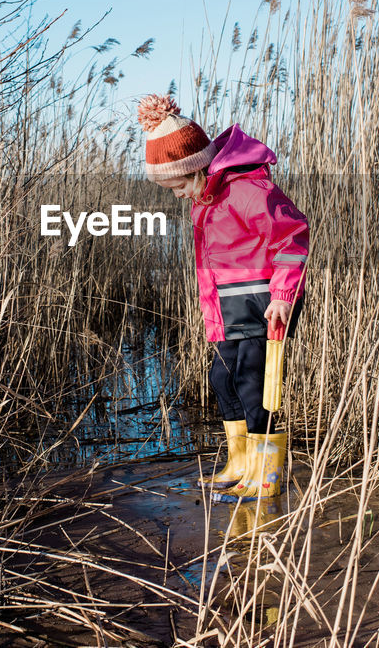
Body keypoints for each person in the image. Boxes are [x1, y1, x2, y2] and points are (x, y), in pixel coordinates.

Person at [137, 94, 309, 501]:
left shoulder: (247, 190)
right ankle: (240, 463)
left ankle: (265, 471)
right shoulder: (206, 198)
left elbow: (293, 235)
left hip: (264, 304)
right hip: (229, 307)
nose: (176, 195)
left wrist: (283, 295)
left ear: (196, 169)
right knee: (221, 378)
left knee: (254, 385)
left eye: (177, 185)